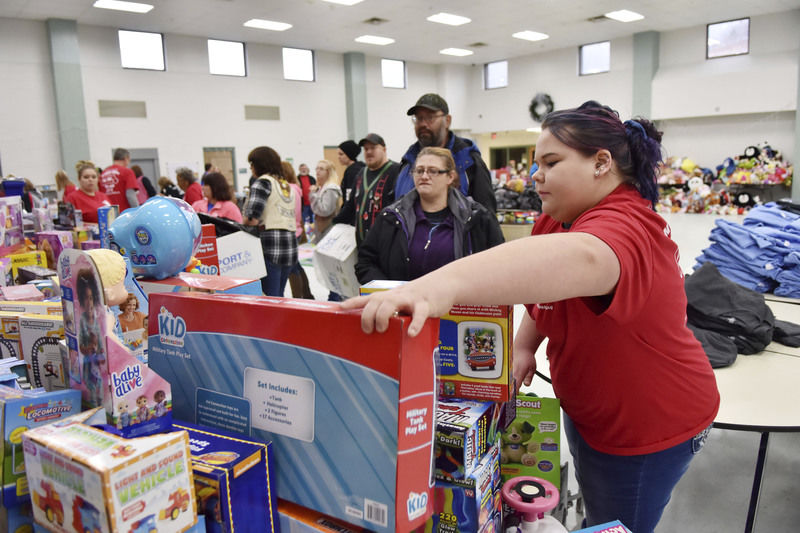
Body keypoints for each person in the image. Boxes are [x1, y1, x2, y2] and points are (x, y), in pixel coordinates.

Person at [342, 101, 720, 533]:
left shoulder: (629, 226)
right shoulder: (558, 219)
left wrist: (433, 288)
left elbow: (582, 258)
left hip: (647, 428)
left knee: (613, 522)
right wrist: (524, 345)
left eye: (551, 163)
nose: (534, 176)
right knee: (595, 500)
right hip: (594, 411)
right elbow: (549, 293)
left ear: (601, 163)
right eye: (535, 163)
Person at [356, 147, 504, 283]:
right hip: (404, 308)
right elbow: (365, 262)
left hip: (459, 309)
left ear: (450, 177)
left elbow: (499, 266)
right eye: (419, 171)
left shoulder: (478, 219)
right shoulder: (391, 217)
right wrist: (390, 293)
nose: (424, 176)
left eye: (433, 171)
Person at [395, 93, 496, 213]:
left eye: (430, 117)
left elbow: (486, 214)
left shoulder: (468, 162)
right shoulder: (407, 163)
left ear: (447, 121)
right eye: (418, 118)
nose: (423, 124)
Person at [243, 146, 298, 297]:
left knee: (270, 297)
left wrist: (244, 221)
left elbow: (252, 218)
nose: (250, 167)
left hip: (270, 245)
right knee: (279, 294)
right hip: (290, 245)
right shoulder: (285, 184)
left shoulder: (263, 183)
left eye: (252, 163)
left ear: (260, 164)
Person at [332, 133, 400, 247]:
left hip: (387, 246)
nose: (368, 152)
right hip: (362, 246)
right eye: (366, 149)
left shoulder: (396, 171)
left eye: (373, 148)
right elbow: (350, 207)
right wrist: (333, 222)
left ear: (384, 149)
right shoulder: (361, 174)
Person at [282, 161, 314, 300]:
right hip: (296, 229)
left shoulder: (289, 189)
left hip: (292, 231)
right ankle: (306, 295)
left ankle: (299, 297)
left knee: (293, 268)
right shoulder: (296, 187)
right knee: (296, 266)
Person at [309, 160, 342, 241]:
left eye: (321, 169)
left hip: (328, 230)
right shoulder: (321, 188)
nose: (318, 171)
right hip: (321, 229)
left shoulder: (330, 189)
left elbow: (324, 210)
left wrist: (313, 195)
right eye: (317, 168)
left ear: (328, 172)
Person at [99, 148, 140, 212]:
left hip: (108, 214)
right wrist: (137, 212)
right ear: (126, 158)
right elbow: (130, 195)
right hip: (123, 213)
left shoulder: (103, 174)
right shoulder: (127, 172)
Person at [337, 140, 364, 205]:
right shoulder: (354, 169)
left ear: (349, 154)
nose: (338, 157)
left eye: (341, 154)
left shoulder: (352, 171)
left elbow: (350, 197)